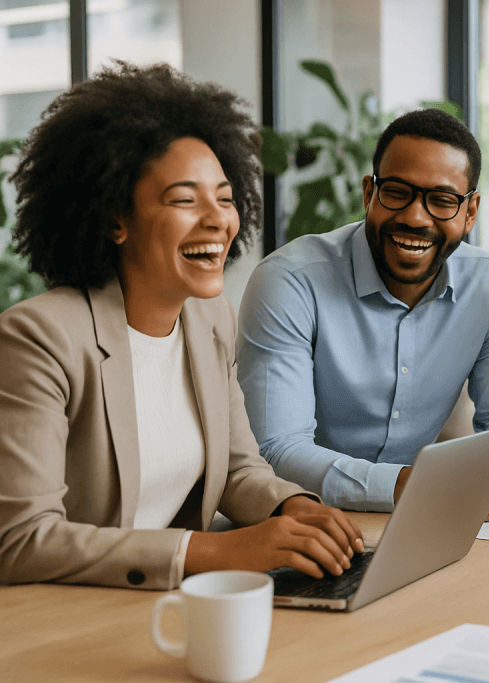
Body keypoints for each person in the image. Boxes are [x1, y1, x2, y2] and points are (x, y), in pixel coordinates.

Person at [0, 62, 363, 591]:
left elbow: (239, 469)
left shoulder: (209, 319)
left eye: (225, 196)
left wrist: (294, 508)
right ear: (114, 219)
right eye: (185, 200)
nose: (218, 219)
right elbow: (22, 541)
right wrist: (215, 550)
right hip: (63, 619)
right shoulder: (40, 338)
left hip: (165, 605)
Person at [236, 108, 489, 518]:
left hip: (416, 522)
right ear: (369, 193)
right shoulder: (291, 281)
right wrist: (403, 485)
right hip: (302, 518)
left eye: (442, 200)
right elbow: (275, 450)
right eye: (397, 192)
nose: (415, 218)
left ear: (470, 213)